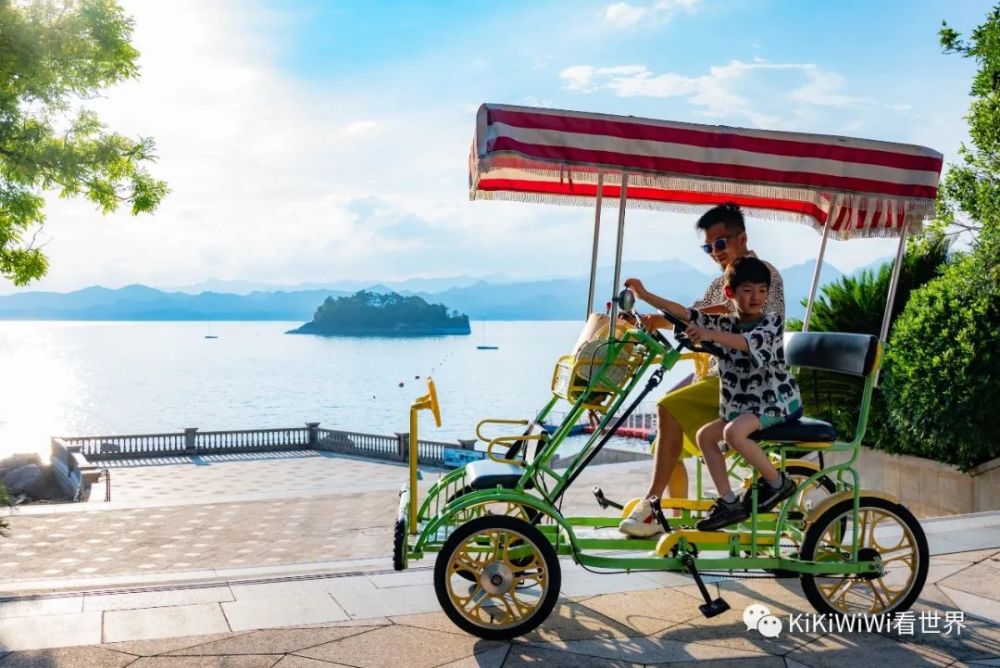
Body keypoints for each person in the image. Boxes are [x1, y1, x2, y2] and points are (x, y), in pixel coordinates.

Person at [619, 203, 784, 537]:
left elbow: (723, 314)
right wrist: (655, 316)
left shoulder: (759, 276)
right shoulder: (720, 282)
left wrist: (671, 317)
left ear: (742, 238)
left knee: (668, 407)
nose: (714, 252)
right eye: (708, 247)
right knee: (664, 439)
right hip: (720, 377)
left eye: (720, 244)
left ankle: (652, 505)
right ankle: (670, 516)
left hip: (750, 382)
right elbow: (694, 315)